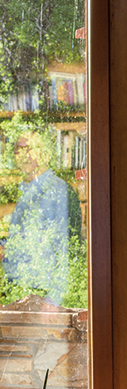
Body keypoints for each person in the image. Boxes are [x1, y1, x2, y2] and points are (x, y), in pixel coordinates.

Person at [2, 129, 82, 306]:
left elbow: (68, 253)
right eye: (18, 149)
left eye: (29, 148)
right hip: (21, 296)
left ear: (45, 154)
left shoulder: (58, 193)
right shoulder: (26, 191)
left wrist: (52, 303)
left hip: (43, 300)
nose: (23, 154)